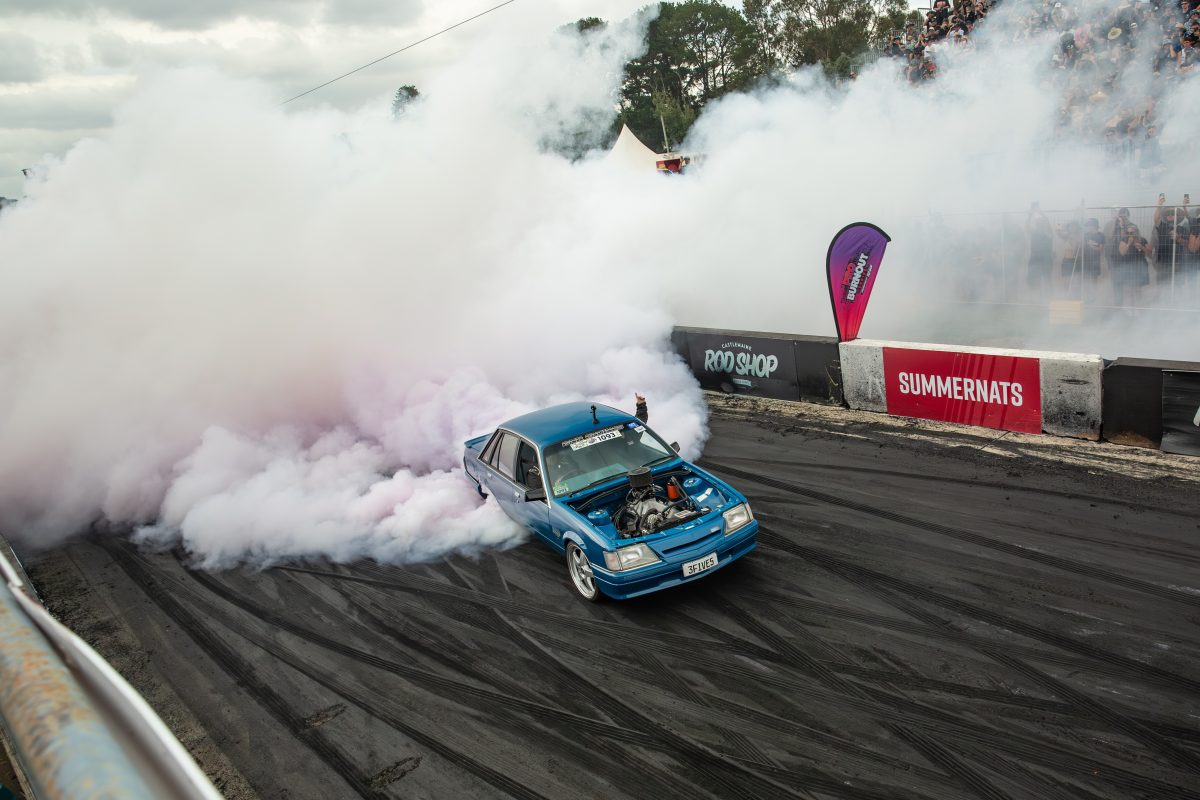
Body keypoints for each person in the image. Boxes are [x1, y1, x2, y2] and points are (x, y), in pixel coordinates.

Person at [1027, 204, 1054, 298]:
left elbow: (1048, 225)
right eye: (1038, 222)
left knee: (1047, 277)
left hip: (1046, 256)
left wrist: (1041, 212)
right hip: (1035, 256)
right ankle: (1036, 297)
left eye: (1041, 222)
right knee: (1034, 277)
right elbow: (1027, 227)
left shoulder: (1048, 232)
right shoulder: (1034, 232)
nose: (1040, 224)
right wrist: (1030, 215)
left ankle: (1049, 297)